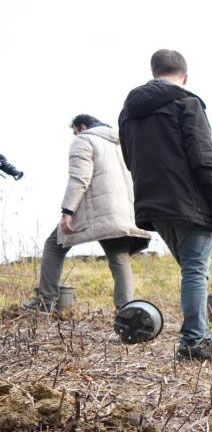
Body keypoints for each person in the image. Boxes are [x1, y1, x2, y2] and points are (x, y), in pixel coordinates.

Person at [118, 49, 212, 361]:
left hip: (153, 203)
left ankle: (200, 335)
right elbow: (203, 157)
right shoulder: (186, 102)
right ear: (184, 76)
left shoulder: (129, 111)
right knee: (196, 271)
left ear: (153, 71)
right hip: (189, 202)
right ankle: (195, 341)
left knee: (193, 270)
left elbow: (129, 159)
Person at [22, 114, 150, 314]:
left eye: (74, 131)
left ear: (82, 127)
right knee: (119, 258)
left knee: (54, 246)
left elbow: (79, 178)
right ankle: (126, 312)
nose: (74, 135)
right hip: (123, 211)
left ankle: (45, 302)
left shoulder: (84, 139)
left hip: (98, 210)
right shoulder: (121, 141)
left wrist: (67, 211)